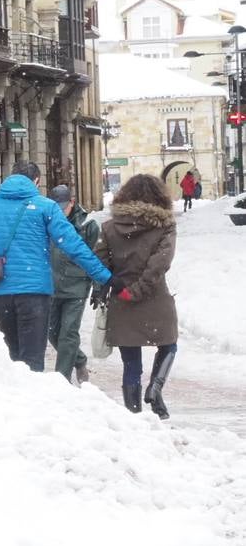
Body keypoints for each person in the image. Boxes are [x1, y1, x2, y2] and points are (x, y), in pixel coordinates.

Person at [0, 161, 117, 372]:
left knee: (14, 355)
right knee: (32, 359)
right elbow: (74, 246)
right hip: (34, 293)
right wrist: (106, 277)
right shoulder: (46, 207)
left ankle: (16, 389)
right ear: (36, 181)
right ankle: (32, 389)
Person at [91, 174, 179, 418]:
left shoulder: (109, 227)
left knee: (131, 363)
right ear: (159, 196)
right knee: (169, 344)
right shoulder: (165, 225)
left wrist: (119, 287)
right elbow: (160, 263)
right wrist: (140, 289)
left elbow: (99, 262)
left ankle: (134, 413)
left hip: (122, 301)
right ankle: (155, 388)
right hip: (155, 297)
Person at [45, 185, 100, 384]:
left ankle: (62, 380)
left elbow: (96, 257)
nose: (61, 211)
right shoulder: (46, 222)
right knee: (52, 334)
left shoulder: (88, 226)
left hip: (77, 287)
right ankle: (79, 359)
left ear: (72, 203)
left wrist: (98, 286)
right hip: (51, 287)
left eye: (64, 207)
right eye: (57, 207)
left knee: (68, 333)